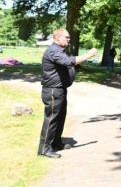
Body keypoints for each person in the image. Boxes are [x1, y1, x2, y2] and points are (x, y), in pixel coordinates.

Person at [37, 28, 97, 158]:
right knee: (52, 119)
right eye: (66, 37)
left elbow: (69, 64)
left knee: (60, 117)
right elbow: (68, 62)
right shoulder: (53, 51)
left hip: (60, 89)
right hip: (53, 90)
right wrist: (88, 55)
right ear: (57, 38)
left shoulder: (61, 51)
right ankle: (44, 149)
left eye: (69, 37)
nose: (69, 39)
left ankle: (56, 143)